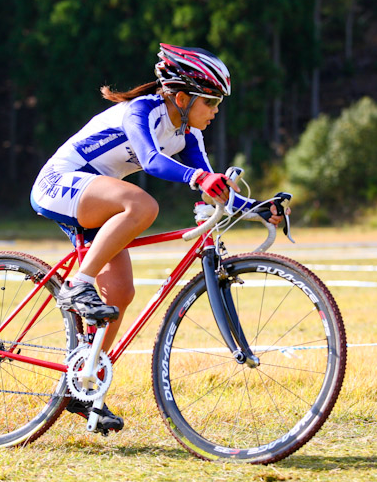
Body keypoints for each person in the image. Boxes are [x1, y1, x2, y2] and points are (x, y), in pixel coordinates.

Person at [30, 43, 287, 433]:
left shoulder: (188, 133)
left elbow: (212, 187)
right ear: (181, 97)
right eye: (211, 101)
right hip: (60, 182)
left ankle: (83, 385)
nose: (216, 110)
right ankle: (77, 283)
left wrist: (256, 207)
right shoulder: (141, 111)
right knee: (143, 206)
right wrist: (197, 177)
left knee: (119, 293)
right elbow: (151, 161)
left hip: (97, 196)